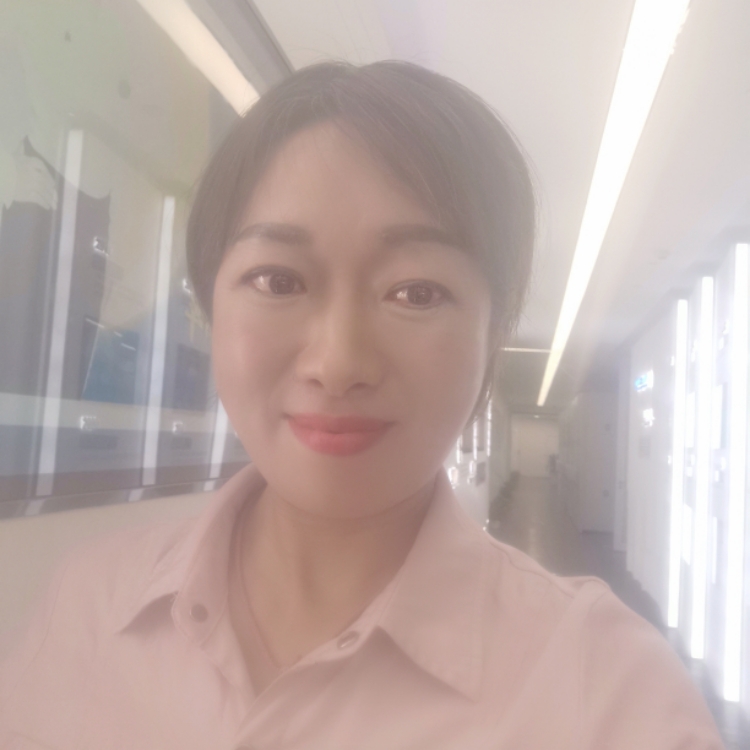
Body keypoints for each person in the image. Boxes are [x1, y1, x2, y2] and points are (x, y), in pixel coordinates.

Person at [0, 61, 723, 749]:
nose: (338, 363)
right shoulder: (86, 606)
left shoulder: (610, 694)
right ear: (209, 308)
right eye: (279, 280)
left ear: (492, 335)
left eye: (416, 292)